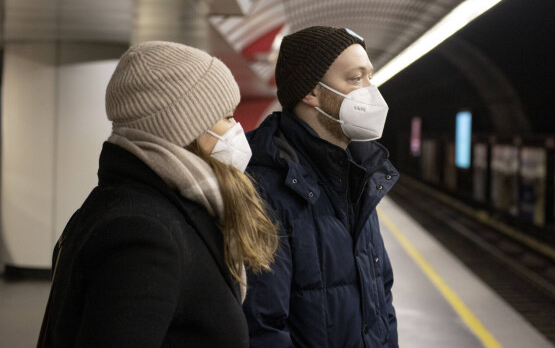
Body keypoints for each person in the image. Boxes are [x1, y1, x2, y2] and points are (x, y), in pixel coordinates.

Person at [38, 41, 278, 347]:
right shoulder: (144, 233)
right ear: (184, 125)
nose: (237, 130)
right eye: (227, 117)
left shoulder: (139, 207)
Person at [243, 26, 399, 347]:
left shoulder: (360, 178)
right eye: (356, 79)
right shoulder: (264, 188)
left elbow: (381, 296)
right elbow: (263, 327)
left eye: (370, 76)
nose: (371, 90)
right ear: (312, 92)